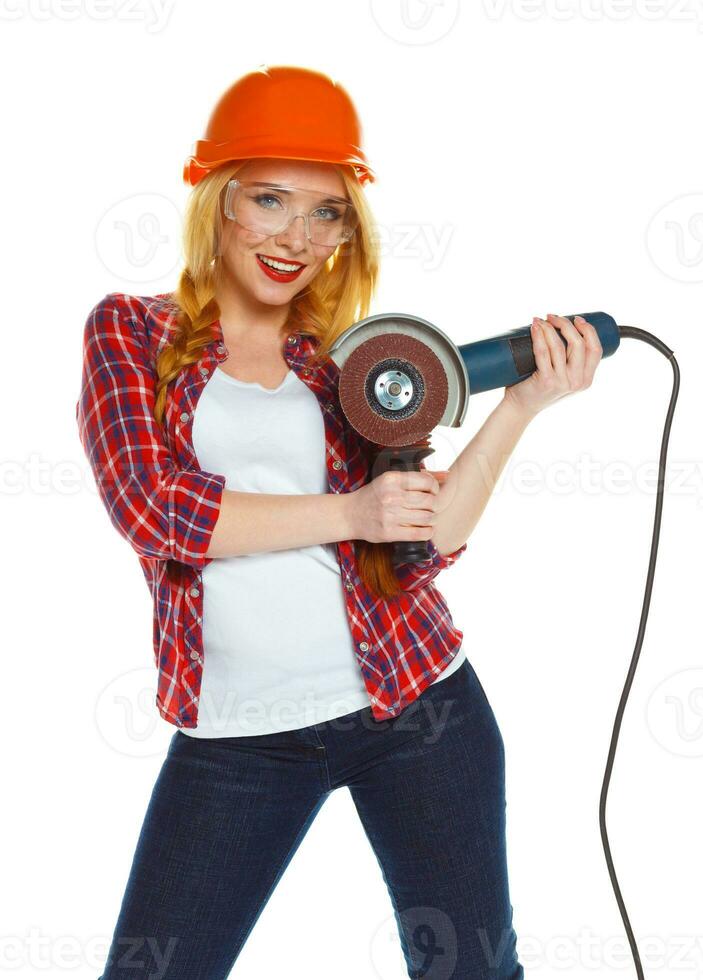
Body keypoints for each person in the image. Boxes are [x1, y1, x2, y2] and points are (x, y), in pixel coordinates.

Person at [76, 65, 603, 979]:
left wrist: (518, 407)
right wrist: (350, 509)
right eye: (270, 200)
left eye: (326, 212)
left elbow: (418, 547)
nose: (297, 236)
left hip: (418, 709)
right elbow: (152, 507)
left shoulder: (342, 363)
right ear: (216, 202)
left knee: (472, 972)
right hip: (239, 741)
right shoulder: (130, 332)